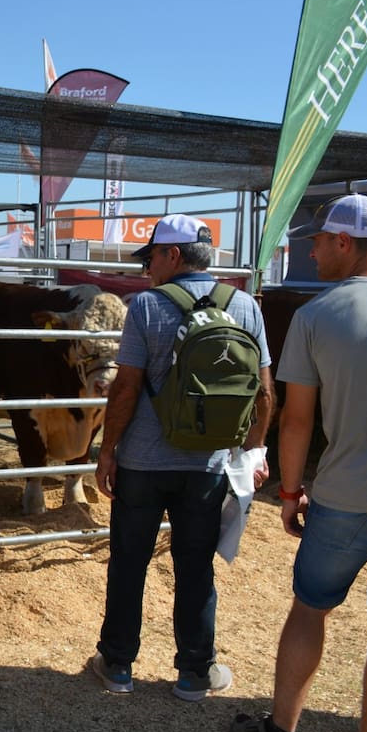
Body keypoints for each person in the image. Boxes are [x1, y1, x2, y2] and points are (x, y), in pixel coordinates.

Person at [229, 194, 367, 732]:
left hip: (346, 495)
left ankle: (281, 729)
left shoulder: (316, 316)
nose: (312, 251)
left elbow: (296, 423)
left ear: (344, 242)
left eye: (317, 241)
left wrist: (290, 493)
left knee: (310, 609)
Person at [90, 213, 274, 702]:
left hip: (144, 465)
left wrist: (108, 452)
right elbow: (264, 391)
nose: (147, 267)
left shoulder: (147, 306)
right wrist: (253, 449)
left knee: (128, 563)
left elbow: (126, 386)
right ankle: (195, 672)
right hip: (209, 466)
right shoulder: (246, 306)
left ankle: (117, 666)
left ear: (173, 255)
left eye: (151, 256)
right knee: (196, 567)